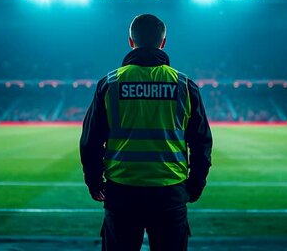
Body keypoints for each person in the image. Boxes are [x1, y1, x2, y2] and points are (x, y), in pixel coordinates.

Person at [80, 14, 213, 251]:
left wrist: (93, 180)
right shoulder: (184, 85)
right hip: (170, 192)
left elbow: (90, 140)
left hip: (121, 192)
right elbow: (202, 142)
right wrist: (195, 185)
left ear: (131, 41)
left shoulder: (109, 83)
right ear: (163, 42)